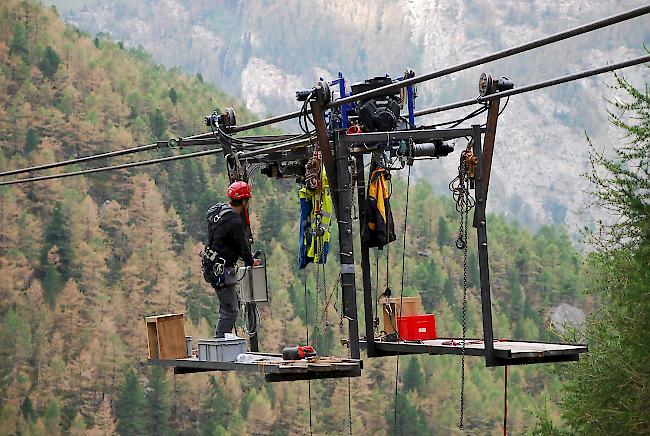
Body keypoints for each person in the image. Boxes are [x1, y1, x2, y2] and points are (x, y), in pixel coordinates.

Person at [203, 180, 261, 338]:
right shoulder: (235, 221)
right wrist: (251, 261)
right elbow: (242, 247)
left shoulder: (218, 212)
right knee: (230, 311)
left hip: (211, 265)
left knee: (227, 307)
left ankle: (222, 343)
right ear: (244, 201)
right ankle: (220, 345)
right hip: (222, 270)